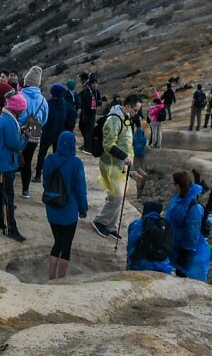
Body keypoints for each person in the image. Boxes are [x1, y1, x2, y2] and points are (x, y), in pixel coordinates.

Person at [40, 130, 89, 280]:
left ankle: (50, 276)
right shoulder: (76, 163)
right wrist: (83, 209)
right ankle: (61, 279)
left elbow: (46, 183)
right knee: (66, 245)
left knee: (57, 242)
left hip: (52, 209)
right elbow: (81, 189)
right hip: (69, 210)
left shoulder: (49, 159)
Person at [92, 95, 141, 239]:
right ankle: (100, 221)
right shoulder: (114, 119)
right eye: (136, 110)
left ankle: (111, 225)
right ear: (128, 106)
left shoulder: (124, 117)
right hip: (111, 164)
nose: (136, 113)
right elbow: (108, 144)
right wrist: (124, 156)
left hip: (121, 165)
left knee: (118, 195)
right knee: (116, 196)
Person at [0, 92, 28, 242]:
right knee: (8, 197)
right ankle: (9, 228)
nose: (23, 112)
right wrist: (25, 137)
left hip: (2, 162)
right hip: (5, 163)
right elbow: (15, 144)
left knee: (1, 194)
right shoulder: (8, 121)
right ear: (16, 108)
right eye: (22, 109)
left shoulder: (7, 118)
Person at [166, 170, 212, 281]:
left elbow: (192, 232)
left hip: (185, 249)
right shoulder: (178, 198)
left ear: (178, 185)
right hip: (174, 243)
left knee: (183, 276)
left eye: (172, 183)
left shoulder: (193, 207)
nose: (171, 185)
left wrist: (186, 251)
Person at [36, 82, 77, 183]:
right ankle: (55, 176)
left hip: (47, 133)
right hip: (60, 134)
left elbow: (40, 117)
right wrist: (67, 127)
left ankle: (37, 175)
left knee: (42, 154)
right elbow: (74, 114)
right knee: (57, 155)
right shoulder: (65, 104)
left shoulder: (48, 103)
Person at [18, 66, 49, 199]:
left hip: (20, 130)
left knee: (15, 157)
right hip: (35, 131)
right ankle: (25, 190)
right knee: (29, 160)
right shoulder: (43, 100)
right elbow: (45, 119)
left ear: (26, 81)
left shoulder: (20, 95)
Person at [126, 201, 176, 274]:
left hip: (139, 265)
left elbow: (130, 247)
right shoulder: (165, 225)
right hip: (162, 265)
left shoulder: (137, 224)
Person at [77, 73, 101, 155]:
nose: (95, 85)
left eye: (96, 83)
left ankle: (88, 147)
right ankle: (87, 145)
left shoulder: (97, 92)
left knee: (89, 131)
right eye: (93, 83)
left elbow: (99, 102)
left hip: (92, 114)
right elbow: (83, 101)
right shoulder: (87, 91)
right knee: (84, 128)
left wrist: (96, 103)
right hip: (85, 113)